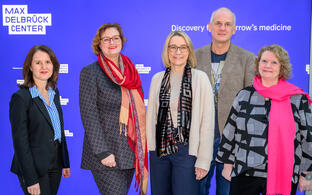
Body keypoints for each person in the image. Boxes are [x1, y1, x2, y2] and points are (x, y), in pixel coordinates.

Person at [216, 44, 312, 195]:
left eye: (274, 62)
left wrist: (307, 174)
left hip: (283, 173)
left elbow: (307, 137)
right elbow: (230, 131)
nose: (268, 66)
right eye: (264, 61)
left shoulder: (297, 98)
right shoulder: (244, 95)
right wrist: (227, 165)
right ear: (258, 64)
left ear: (282, 67)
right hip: (244, 172)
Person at [79, 23, 148, 195]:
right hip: (105, 153)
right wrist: (103, 152)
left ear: (122, 41)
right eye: (106, 39)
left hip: (129, 152)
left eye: (115, 38)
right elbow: (89, 115)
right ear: (99, 44)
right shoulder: (90, 72)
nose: (112, 42)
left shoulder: (131, 72)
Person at [195, 7, 255, 195]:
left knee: (228, 191)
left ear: (234, 29)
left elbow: (251, 103)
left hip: (232, 141)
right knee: (197, 190)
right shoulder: (194, 57)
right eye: (218, 23)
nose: (222, 28)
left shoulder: (247, 59)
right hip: (200, 138)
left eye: (227, 24)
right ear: (209, 27)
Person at [146, 30, 215, 195]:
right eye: (173, 47)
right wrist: (150, 150)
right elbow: (151, 118)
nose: (178, 52)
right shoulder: (157, 79)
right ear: (167, 51)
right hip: (159, 150)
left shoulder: (200, 78)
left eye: (183, 47)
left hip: (186, 150)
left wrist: (204, 160)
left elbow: (207, 122)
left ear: (189, 51)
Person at [9, 45, 70, 195]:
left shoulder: (54, 93)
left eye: (48, 62)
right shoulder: (21, 98)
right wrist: (30, 178)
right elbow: (20, 143)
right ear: (30, 67)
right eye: (38, 63)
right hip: (34, 167)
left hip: (55, 164)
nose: (44, 66)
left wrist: (64, 161)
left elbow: (59, 130)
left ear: (53, 66)